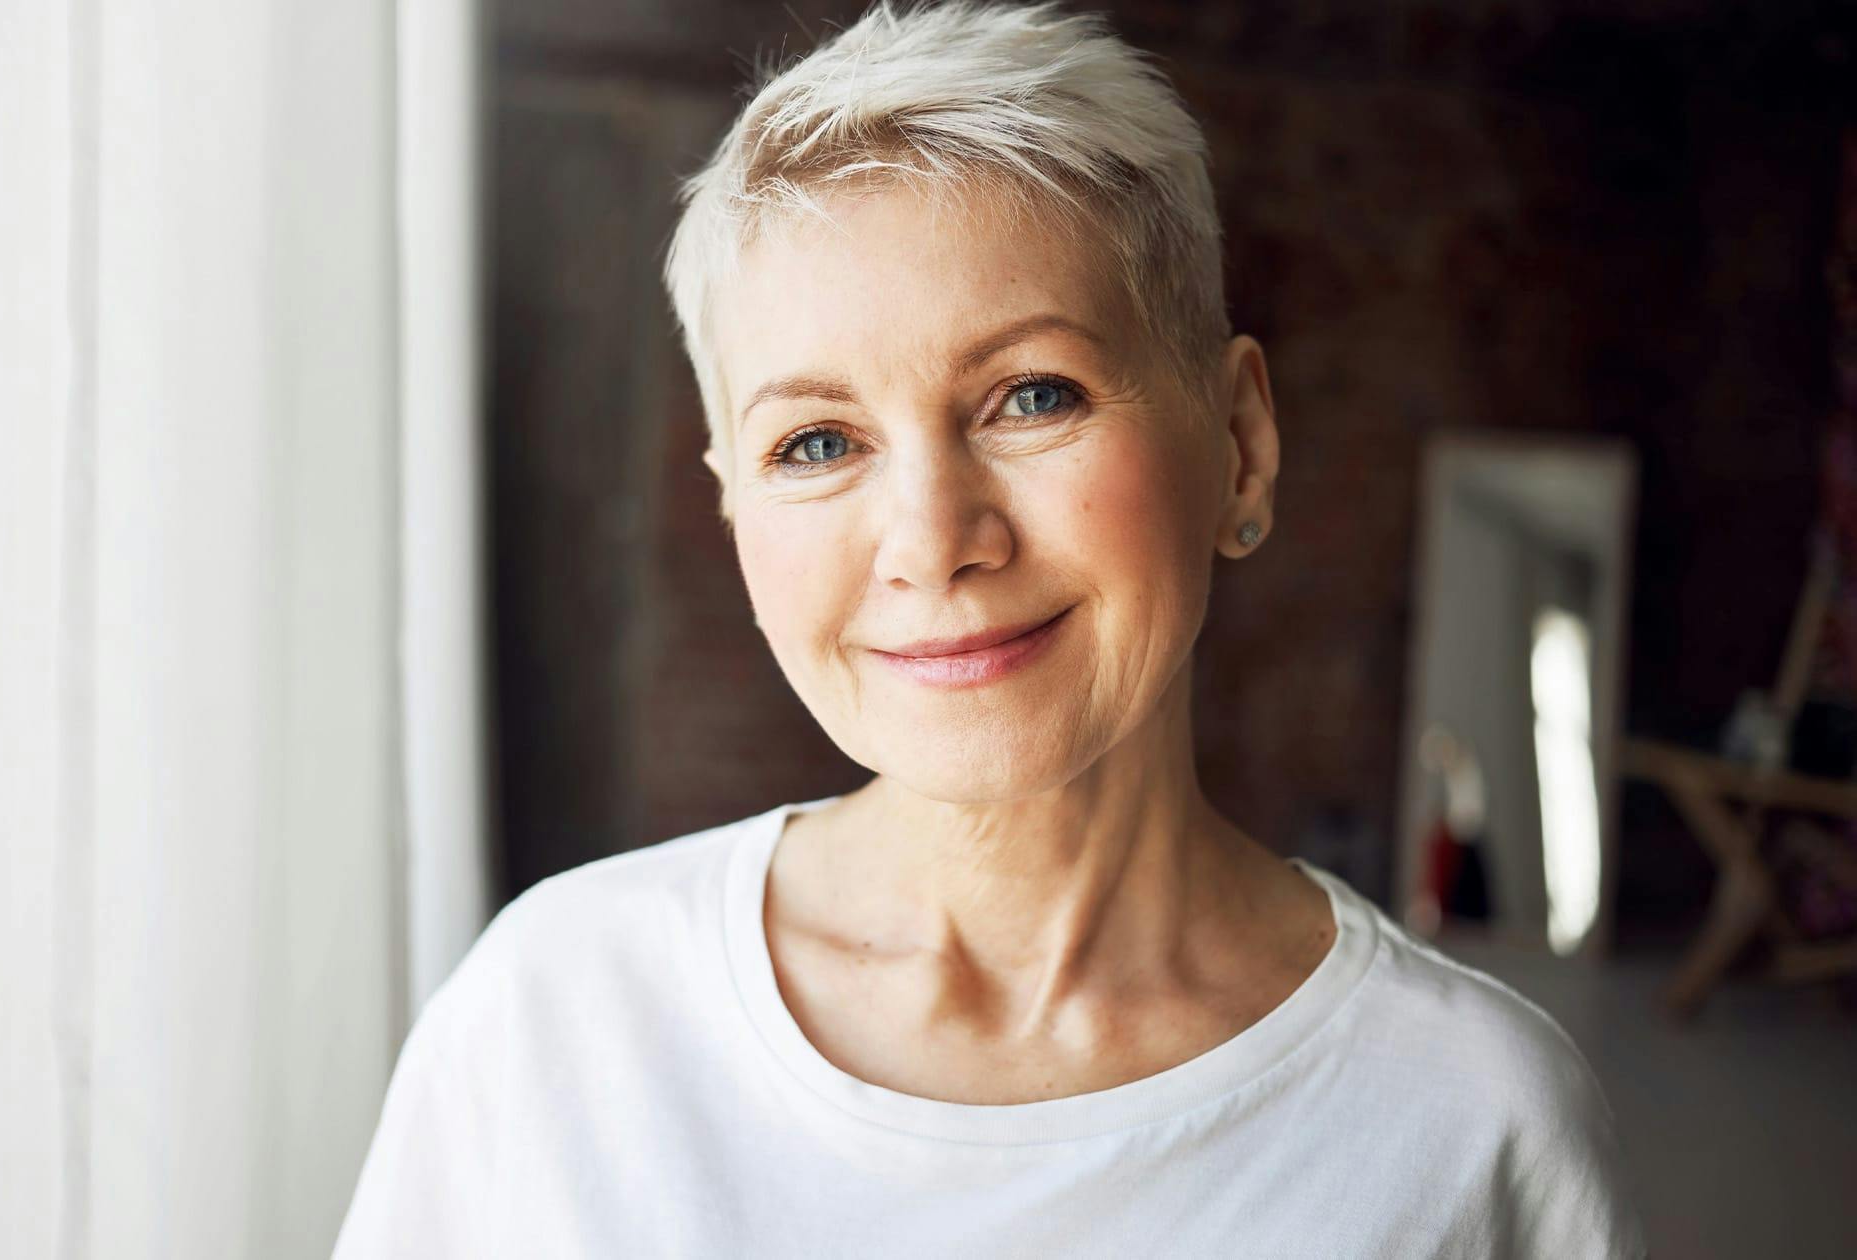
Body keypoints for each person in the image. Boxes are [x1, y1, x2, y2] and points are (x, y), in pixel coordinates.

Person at [333, 3, 1649, 1255]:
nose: (932, 539)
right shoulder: (555, 1016)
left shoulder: (1471, 1124)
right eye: (817, 441)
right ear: (733, 508)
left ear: (1238, 446)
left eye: (1029, 395)